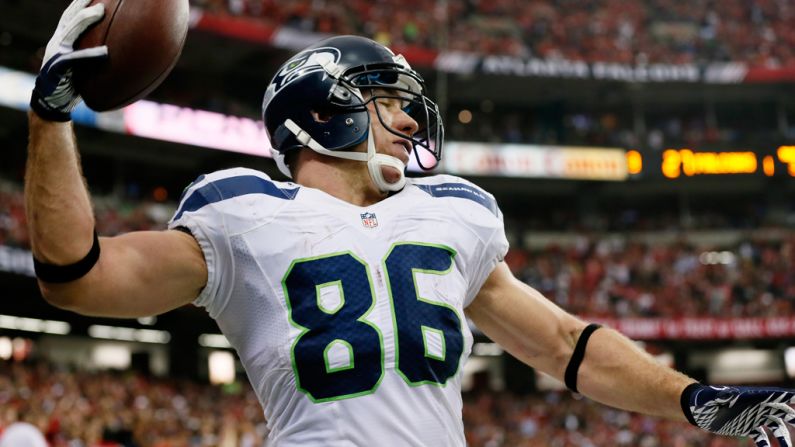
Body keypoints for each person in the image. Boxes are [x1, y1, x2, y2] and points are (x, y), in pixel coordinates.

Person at [24, 1, 795, 446]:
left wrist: (702, 400)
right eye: (386, 98)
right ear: (322, 109)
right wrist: (52, 115)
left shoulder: (449, 213)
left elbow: (564, 344)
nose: (407, 116)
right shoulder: (240, 213)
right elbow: (77, 277)